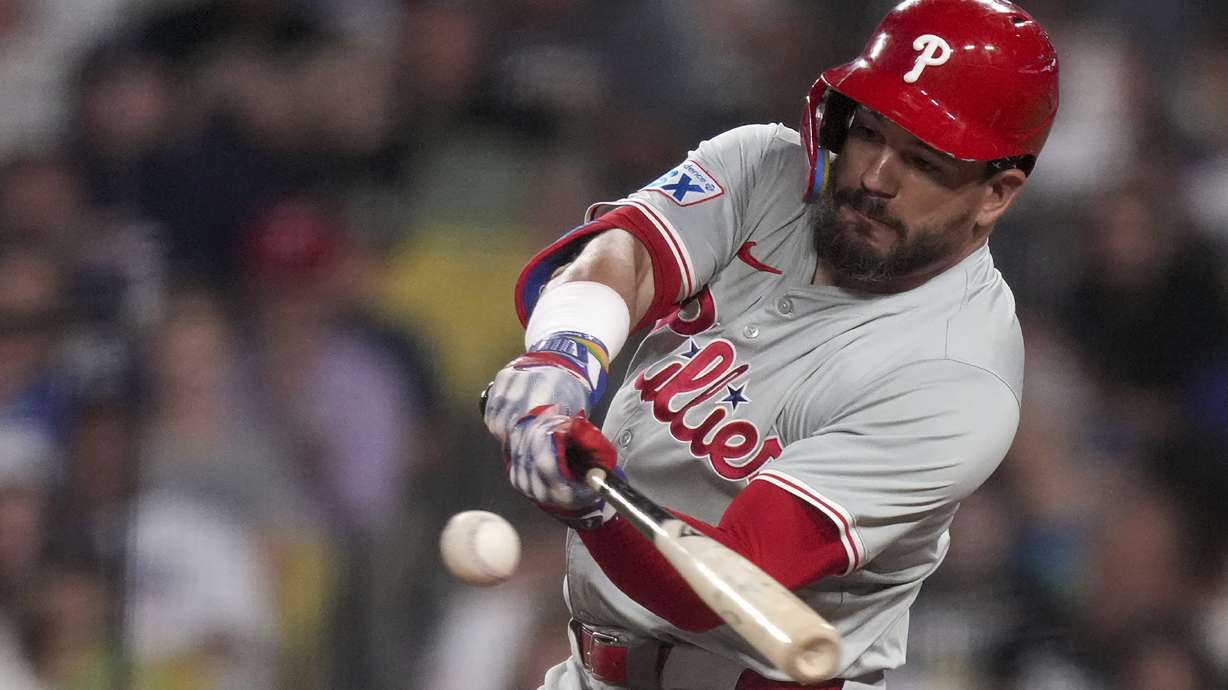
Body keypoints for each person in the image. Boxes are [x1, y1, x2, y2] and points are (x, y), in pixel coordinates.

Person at [481, 1, 1060, 688]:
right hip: (592, 669)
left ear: (996, 192)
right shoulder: (765, 167)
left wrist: (594, 508)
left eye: (923, 162)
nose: (874, 176)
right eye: (870, 132)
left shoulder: (959, 377)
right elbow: (628, 255)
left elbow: (734, 579)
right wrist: (563, 358)